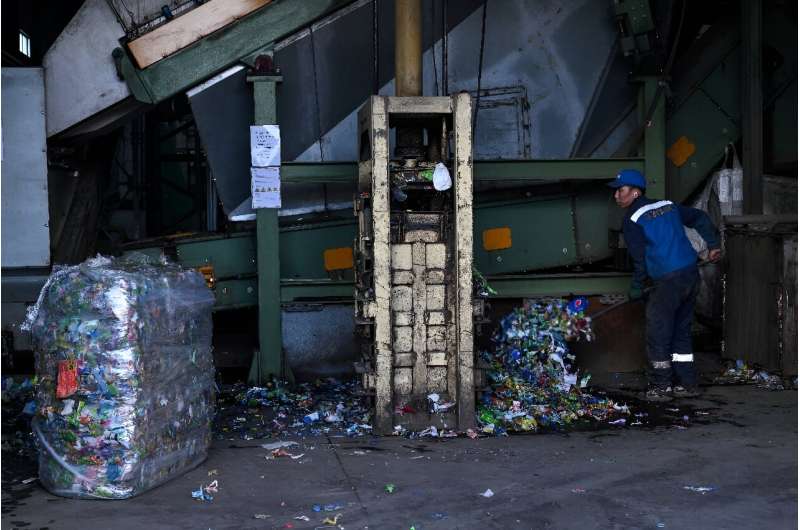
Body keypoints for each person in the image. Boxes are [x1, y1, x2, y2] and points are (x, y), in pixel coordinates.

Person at [609, 169, 721, 402]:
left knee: (658, 333)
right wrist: (713, 244)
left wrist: (637, 287)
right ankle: (687, 384)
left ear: (635, 192)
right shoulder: (668, 206)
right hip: (689, 275)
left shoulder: (632, 220)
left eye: (621, 190)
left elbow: (640, 260)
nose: (616, 196)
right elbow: (700, 218)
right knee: (681, 330)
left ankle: (661, 386)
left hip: (667, 282)